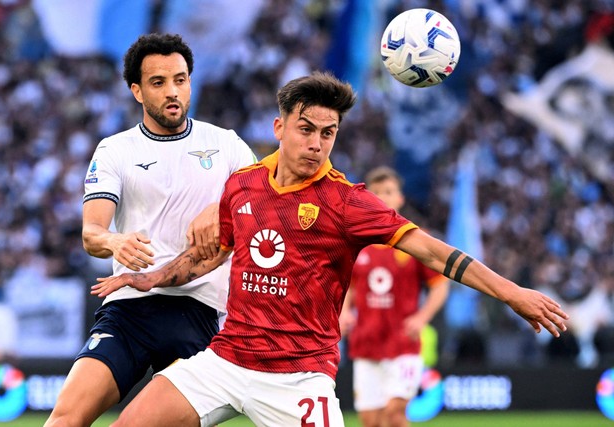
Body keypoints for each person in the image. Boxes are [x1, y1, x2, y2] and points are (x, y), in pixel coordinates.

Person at [90, 71, 568, 427]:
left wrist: (512, 294)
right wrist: (148, 278)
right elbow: (210, 254)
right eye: (306, 129)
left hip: (298, 378)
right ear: (279, 128)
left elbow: (435, 254)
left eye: (328, 132)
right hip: (226, 360)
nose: (317, 143)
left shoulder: (349, 202)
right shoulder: (243, 185)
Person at [44, 33, 255, 427]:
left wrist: (221, 207)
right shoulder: (115, 150)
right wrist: (115, 240)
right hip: (128, 310)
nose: (172, 91)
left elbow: (260, 209)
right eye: (158, 83)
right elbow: (92, 233)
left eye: (180, 79)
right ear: (137, 91)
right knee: (64, 420)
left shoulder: (227, 146)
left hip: (201, 313)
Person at [339, 166, 449, 427]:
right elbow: (350, 286)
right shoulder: (357, 243)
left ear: (400, 199)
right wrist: (344, 312)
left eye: (389, 192)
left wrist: (422, 318)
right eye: (376, 193)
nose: (383, 198)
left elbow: (440, 285)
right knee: (371, 420)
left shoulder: (415, 241)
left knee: (395, 414)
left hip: (402, 344)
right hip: (366, 343)